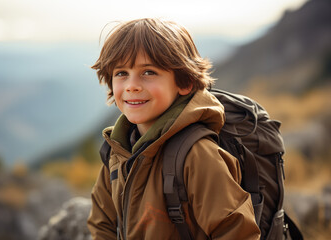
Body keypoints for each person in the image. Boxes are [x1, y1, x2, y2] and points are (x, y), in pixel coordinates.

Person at [87, 18, 260, 239]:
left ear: (185, 82)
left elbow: (236, 233)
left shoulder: (198, 155)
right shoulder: (117, 151)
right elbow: (102, 225)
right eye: (121, 73)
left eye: (148, 72)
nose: (131, 85)